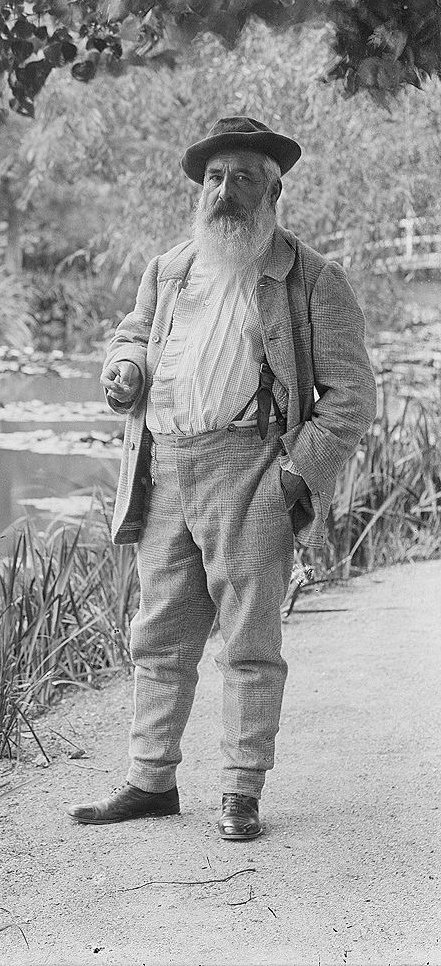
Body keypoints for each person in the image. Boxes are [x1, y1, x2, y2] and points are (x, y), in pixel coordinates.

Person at [67, 116, 377, 840]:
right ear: (198, 190)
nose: (226, 191)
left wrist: (295, 478)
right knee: (158, 633)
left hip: (252, 471)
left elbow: (353, 397)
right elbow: (134, 334)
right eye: (214, 177)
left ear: (274, 191)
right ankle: (151, 778)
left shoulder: (312, 279)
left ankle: (240, 790)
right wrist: (124, 371)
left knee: (248, 639)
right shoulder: (169, 269)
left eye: (243, 177)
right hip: (166, 466)